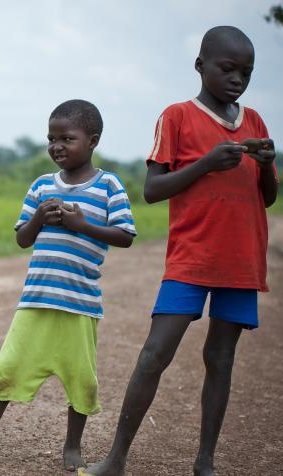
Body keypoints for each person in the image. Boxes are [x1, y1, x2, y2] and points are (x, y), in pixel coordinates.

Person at [83, 26, 277, 476]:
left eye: (246, 72)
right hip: (191, 258)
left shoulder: (255, 124)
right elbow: (152, 190)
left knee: (221, 359)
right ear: (200, 66)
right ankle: (116, 459)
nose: (237, 79)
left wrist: (266, 167)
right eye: (227, 69)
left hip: (240, 261)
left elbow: (266, 198)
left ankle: (205, 462)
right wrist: (207, 163)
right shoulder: (176, 117)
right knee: (155, 353)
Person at [0, 99, 136, 472]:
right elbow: (22, 239)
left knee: (81, 380)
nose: (57, 146)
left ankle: (72, 447)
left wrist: (82, 226)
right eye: (51, 138)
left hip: (80, 304)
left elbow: (125, 235)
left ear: (93, 140)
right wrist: (38, 218)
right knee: (7, 370)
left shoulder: (109, 186)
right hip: (35, 300)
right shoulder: (40, 186)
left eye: (68, 137)